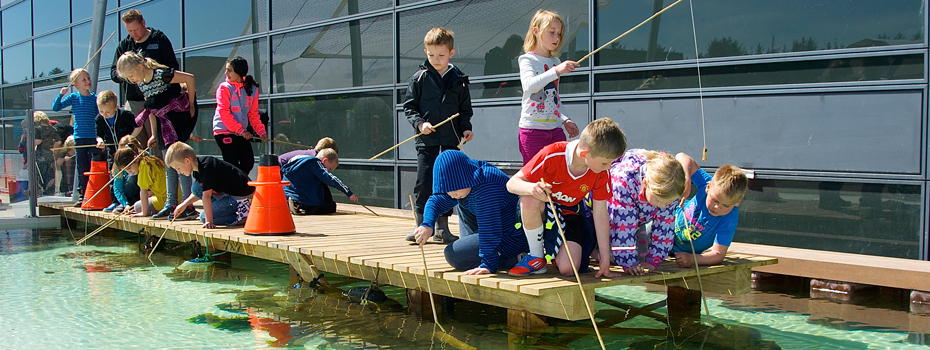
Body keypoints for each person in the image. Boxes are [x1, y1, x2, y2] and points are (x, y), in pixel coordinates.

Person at [506, 118, 626, 277]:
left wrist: (605, 259)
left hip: (570, 214)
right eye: (605, 163)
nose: (609, 167)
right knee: (529, 197)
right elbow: (512, 183)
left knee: (568, 269)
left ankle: (553, 250)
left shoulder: (601, 172)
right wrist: (532, 188)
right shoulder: (552, 154)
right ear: (584, 154)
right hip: (542, 211)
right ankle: (536, 257)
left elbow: (600, 213)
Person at [403, 27, 474, 244]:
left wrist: (466, 128)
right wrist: (420, 123)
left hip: (450, 141)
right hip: (427, 141)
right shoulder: (419, 78)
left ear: (451, 53)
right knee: (424, 182)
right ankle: (422, 228)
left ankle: (443, 228)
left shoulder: (459, 79)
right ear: (425, 51)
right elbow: (409, 107)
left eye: (441, 55)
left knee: (449, 183)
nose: (435, 59)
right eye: (430, 55)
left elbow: (464, 109)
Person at [412, 151, 529, 275]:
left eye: (453, 190)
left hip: (511, 237)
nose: (451, 194)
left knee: (453, 256)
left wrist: (488, 264)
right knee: (460, 199)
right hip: (491, 230)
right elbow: (436, 201)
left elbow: (490, 230)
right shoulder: (464, 181)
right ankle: (484, 253)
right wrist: (427, 224)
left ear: (461, 178)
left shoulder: (487, 186)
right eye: (447, 191)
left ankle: (511, 259)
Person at [116, 51, 198, 220]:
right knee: (169, 165)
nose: (131, 80)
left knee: (180, 162)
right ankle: (171, 204)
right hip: (164, 124)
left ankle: (187, 205)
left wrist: (191, 105)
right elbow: (152, 109)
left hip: (177, 119)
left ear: (140, 66)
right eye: (128, 78)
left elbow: (189, 78)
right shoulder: (142, 84)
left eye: (131, 75)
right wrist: (154, 133)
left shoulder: (161, 75)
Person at [606, 149, 686, 276]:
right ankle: (595, 250)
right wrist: (628, 264)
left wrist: (653, 260)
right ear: (646, 184)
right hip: (606, 214)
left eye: (668, 202)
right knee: (612, 257)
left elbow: (665, 227)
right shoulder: (624, 182)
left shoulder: (667, 192)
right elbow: (623, 227)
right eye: (659, 201)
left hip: (638, 217)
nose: (663, 206)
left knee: (641, 257)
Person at [517, 10, 580, 165]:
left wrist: (565, 120)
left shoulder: (555, 61)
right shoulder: (527, 59)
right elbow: (529, 85)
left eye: (559, 33)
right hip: (532, 130)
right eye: (552, 32)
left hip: (555, 129)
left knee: (560, 171)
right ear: (536, 31)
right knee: (534, 175)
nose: (557, 37)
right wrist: (556, 70)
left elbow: (554, 98)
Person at [110, 9, 178, 142]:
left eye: (136, 29)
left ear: (143, 22)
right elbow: (114, 73)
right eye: (129, 31)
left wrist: (153, 76)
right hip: (134, 102)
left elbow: (172, 67)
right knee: (135, 143)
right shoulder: (124, 45)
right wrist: (132, 76)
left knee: (158, 141)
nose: (133, 34)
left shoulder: (159, 39)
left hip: (158, 100)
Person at [671, 153, 748, 268]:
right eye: (715, 200)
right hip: (663, 229)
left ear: (738, 202)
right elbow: (681, 157)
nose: (717, 207)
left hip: (681, 253)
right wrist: (686, 181)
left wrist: (693, 259)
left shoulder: (729, 219)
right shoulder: (707, 183)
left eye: (726, 205)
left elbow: (718, 254)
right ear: (708, 187)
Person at [166, 142, 254, 228]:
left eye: (178, 168)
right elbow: (200, 192)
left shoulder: (207, 167)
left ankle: (243, 217)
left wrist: (209, 221)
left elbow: (206, 196)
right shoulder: (198, 168)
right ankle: (224, 210)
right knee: (196, 188)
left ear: (187, 160)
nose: (178, 172)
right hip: (227, 194)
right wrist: (184, 204)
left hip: (239, 199)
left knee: (203, 216)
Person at [212, 57, 268, 174]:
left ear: (239, 72)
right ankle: (234, 188)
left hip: (241, 131)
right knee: (232, 163)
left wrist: (261, 131)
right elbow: (224, 112)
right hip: (224, 131)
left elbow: (253, 114)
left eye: (229, 70)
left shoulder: (252, 88)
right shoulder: (224, 88)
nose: (226, 73)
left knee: (248, 162)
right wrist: (241, 131)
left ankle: (236, 186)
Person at [52, 68, 99, 204]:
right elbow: (56, 108)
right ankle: (82, 194)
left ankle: (95, 191)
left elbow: (100, 116)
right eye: (83, 80)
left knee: (94, 165)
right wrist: (60, 95)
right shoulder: (73, 97)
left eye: (88, 78)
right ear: (76, 84)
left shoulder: (95, 98)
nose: (88, 81)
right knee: (82, 166)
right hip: (79, 137)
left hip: (93, 137)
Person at [95, 90, 143, 212]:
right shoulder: (99, 119)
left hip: (128, 152)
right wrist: (100, 141)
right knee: (115, 177)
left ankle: (131, 201)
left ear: (116, 107)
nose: (104, 114)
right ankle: (116, 202)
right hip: (113, 153)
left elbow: (139, 126)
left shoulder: (125, 115)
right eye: (101, 111)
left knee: (132, 176)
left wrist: (130, 139)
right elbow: (98, 134)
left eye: (108, 111)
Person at [281, 148, 358, 215]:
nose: (328, 171)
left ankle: (293, 203)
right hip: (300, 196)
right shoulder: (315, 163)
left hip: (287, 192)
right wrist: (348, 193)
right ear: (324, 160)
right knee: (329, 206)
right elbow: (330, 179)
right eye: (329, 169)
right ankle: (299, 204)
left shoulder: (297, 159)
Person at [114, 145, 175, 217]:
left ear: (135, 158)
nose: (129, 172)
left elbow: (143, 191)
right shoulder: (147, 160)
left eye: (129, 168)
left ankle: (156, 211)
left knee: (137, 207)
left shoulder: (144, 166)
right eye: (126, 170)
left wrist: (143, 213)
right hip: (167, 196)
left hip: (165, 199)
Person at [33, 111, 61, 196]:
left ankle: (40, 194)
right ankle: (49, 194)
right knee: (50, 176)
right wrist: (52, 148)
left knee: (40, 176)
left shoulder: (38, 129)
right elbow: (58, 141)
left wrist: (31, 143)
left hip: (40, 154)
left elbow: (38, 141)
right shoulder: (52, 129)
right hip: (50, 155)